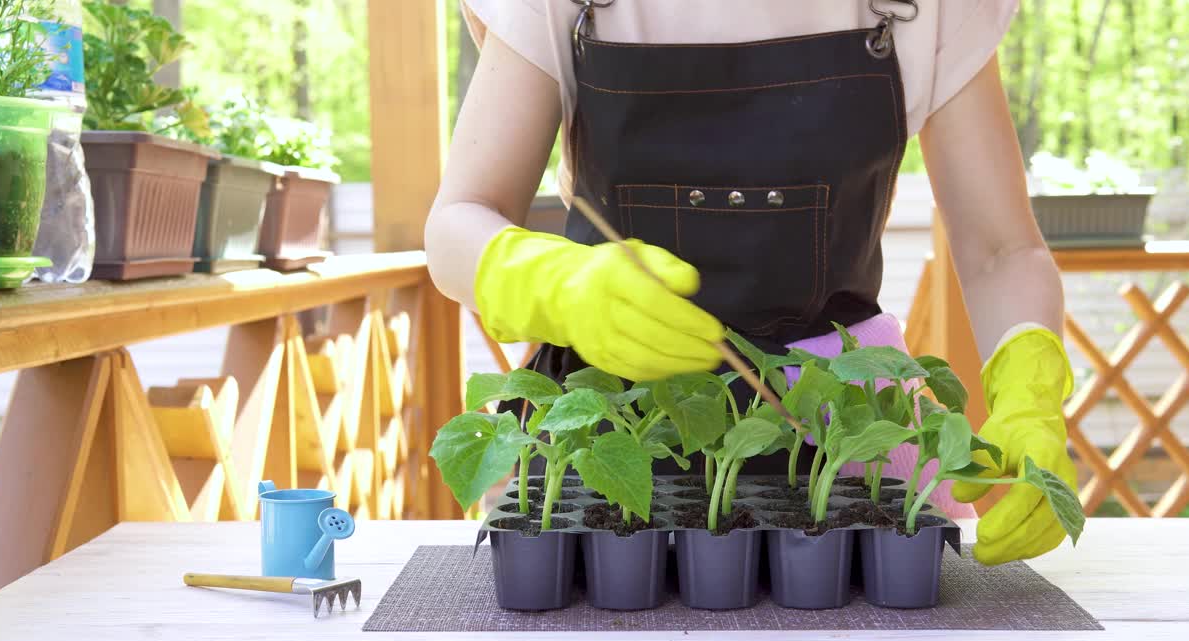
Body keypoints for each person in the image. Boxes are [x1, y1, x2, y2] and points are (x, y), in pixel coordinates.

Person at [425, 0, 1076, 565]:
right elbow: (457, 223)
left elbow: (1001, 248)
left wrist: (1030, 389)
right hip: (609, 422)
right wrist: (555, 284)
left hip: (845, 426)